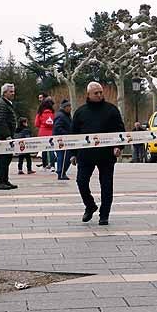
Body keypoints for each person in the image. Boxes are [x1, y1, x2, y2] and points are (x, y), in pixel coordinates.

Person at [71, 82, 125, 225]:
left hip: (106, 155)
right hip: (85, 155)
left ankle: (104, 214)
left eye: (101, 92)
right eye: (96, 93)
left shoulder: (112, 110)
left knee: (106, 185)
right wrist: (73, 154)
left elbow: (120, 130)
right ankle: (90, 205)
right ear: (88, 94)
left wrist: (119, 146)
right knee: (81, 182)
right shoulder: (80, 112)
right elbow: (73, 134)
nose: (100, 95)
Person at [0, 83, 18, 190]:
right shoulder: (2, 104)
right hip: (4, 136)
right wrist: (7, 135)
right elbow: (1, 121)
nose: (13, 93)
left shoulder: (5, 103)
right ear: (4, 93)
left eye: (13, 91)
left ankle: (4, 180)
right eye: (10, 91)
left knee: (6, 158)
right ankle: (0, 182)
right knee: (3, 159)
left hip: (6, 135)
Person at [52, 99, 73, 180]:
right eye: (69, 106)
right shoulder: (61, 116)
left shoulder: (66, 115)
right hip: (61, 140)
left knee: (66, 156)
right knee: (63, 156)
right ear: (65, 107)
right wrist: (66, 135)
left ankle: (62, 172)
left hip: (65, 139)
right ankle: (61, 173)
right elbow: (57, 128)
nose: (70, 108)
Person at [35, 97, 56, 170]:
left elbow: (36, 124)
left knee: (43, 149)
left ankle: (44, 165)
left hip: (42, 132)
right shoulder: (53, 113)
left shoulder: (40, 113)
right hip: (51, 132)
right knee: (51, 149)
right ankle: (53, 166)